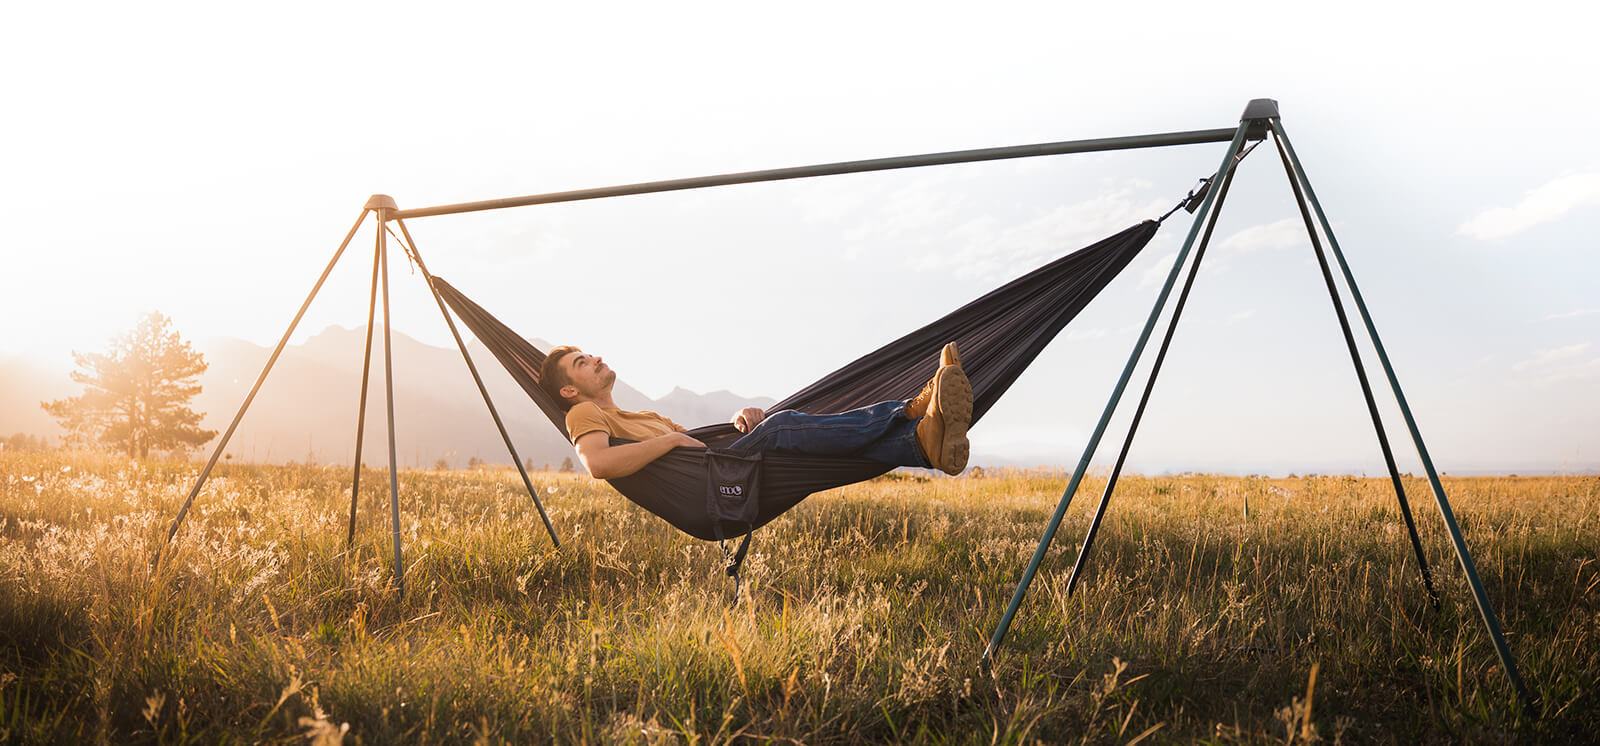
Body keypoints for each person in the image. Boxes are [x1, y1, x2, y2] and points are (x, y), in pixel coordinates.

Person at [538, 343, 973, 479]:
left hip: (718, 463)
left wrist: (738, 423)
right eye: (581, 363)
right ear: (569, 389)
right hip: (712, 485)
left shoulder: (643, 418)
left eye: (588, 354)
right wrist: (671, 440)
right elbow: (596, 464)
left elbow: (696, 440)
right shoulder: (583, 415)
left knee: (791, 432)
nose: (594, 359)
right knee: (785, 426)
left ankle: (920, 443)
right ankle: (912, 409)